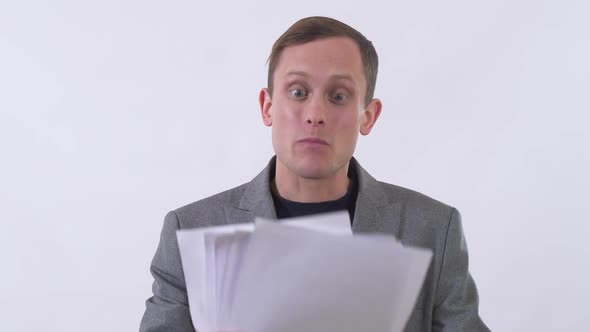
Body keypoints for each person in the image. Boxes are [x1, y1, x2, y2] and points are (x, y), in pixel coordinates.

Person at [139, 16, 490, 332]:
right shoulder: (191, 231)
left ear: (367, 116)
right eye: (298, 92)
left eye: (338, 96)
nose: (315, 113)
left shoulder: (433, 229)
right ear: (267, 106)